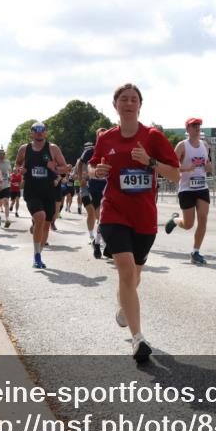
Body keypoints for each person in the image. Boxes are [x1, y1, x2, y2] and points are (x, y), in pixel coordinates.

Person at [88, 83, 179, 363]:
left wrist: (150, 162)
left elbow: (176, 175)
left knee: (134, 276)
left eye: (134, 99)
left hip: (144, 217)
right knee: (126, 272)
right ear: (115, 105)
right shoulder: (106, 139)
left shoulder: (153, 137)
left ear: (140, 105)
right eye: (123, 99)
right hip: (114, 212)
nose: (129, 103)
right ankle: (138, 339)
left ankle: (123, 307)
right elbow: (92, 167)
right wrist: (97, 170)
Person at [15, 121, 70, 269]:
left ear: (46, 132)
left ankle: (39, 253)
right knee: (40, 217)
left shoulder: (52, 149)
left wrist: (55, 168)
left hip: (49, 191)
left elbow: (65, 168)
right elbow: (17, 165)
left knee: (46, 225)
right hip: (32, 191)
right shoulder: (24, 149)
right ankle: (37, 255)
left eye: (42, 129)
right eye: (36, 130)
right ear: (31, 132)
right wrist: (20, 170)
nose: (39, 132)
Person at [164, 118, 214, 265]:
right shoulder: (182, 146)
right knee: (188, 225)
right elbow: (170, 166)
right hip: (186, 188)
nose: (197, 128)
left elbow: (209, 165)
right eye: (194, 125)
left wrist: (208, 167)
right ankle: (175, 220)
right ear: (188, 129)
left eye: (199, 125)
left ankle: (195, 252)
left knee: (203, 218)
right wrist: (186, 169)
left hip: (202, 187)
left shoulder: (205, 145)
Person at [75, 139, 107, 259]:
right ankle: (91, 236)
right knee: (91, 212)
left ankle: (99, 239)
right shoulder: (83, 158)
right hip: (86, 187)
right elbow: (75, 172)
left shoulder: (107, 151)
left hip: (101, 187)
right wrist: (80, 178)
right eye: (86, 147)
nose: (87, 148)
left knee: (100, 216)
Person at [0, 149, 13, 228]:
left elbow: (9, 172)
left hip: (6, 185)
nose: (2, 155)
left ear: (4, 154)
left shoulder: (7, 162)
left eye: (3, 154)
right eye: (0, 154)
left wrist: (9, 176)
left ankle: (7, 219)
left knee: (6, 202)